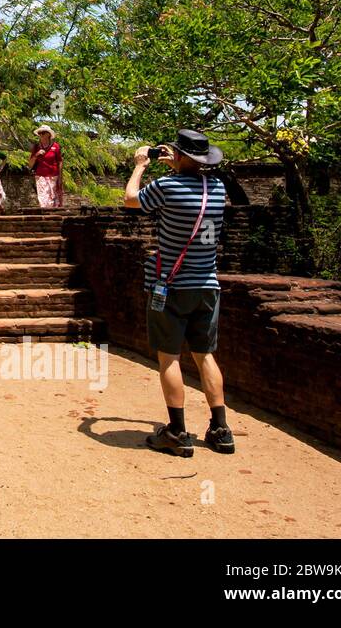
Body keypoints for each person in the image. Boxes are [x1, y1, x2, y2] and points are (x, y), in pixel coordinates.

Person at [124, 129, 234, 458]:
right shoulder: (217, 188)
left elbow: (131, 199)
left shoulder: (167, 186)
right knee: (205, 355)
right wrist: (179, 165)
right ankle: (220, 428)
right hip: (207, 285)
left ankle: (176, 431)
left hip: (172, 287)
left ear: (182, 157)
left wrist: (141, 165)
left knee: (169, 357)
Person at [29, 125, 63, 208]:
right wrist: (37, 154)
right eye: (39, 133)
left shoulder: (55, 146)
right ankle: (45, 214)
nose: (41, 135)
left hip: (53, 176)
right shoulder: (36, 147)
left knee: (53, 198)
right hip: (40, 175)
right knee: (43, 198)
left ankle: (52, 216)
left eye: (43, 133)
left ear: (48, 134)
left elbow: (60, 161)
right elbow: (30, 164)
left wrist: (60, 177)